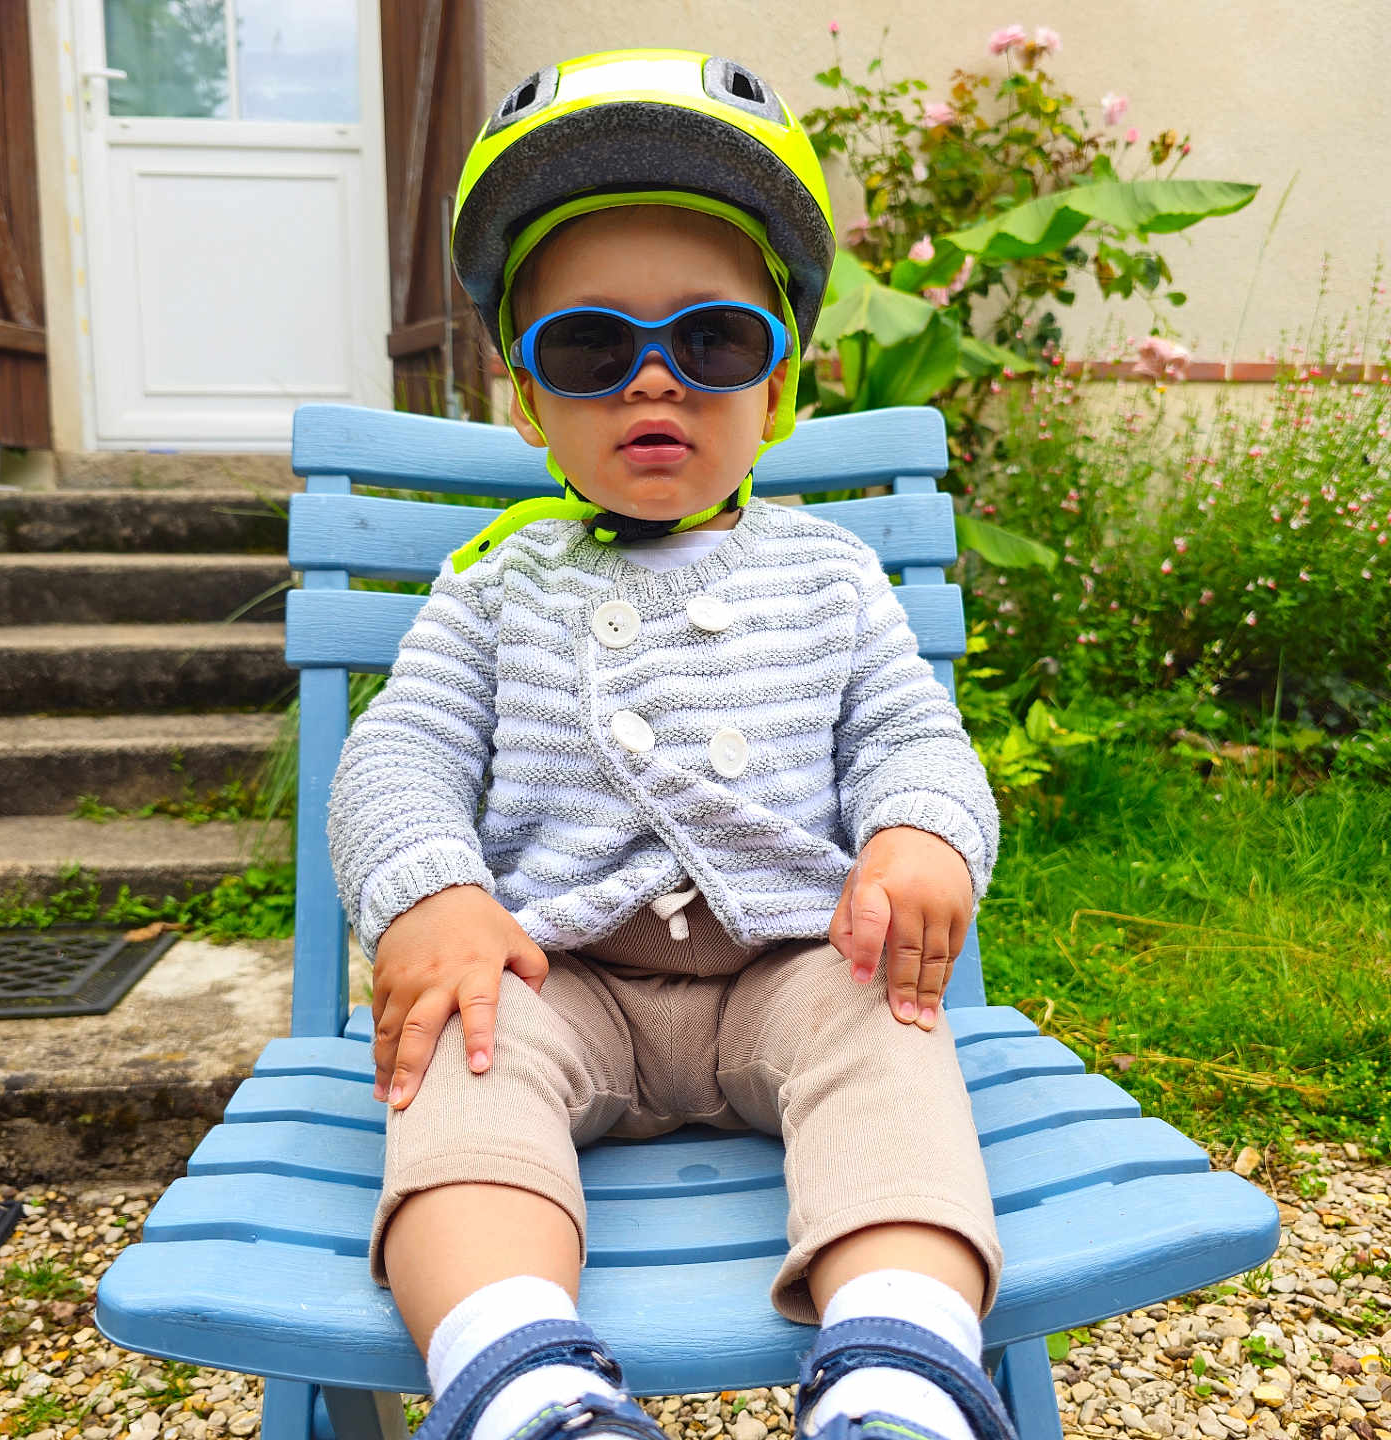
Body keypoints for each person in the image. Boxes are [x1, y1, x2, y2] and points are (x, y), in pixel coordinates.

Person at [326, 48, 1016, 1440]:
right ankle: (522, 1377)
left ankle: (898, 1375)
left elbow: (909, 735)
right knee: (460, 1064)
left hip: (787, 968)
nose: (655, 383)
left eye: (712, 341)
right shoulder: (494, 588)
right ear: (524, 394)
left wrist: (922, 831)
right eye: (591, 347)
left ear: (780, 387)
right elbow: (395, 757)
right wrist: (435, 896)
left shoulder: (830, 580)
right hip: (557, 971)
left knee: (889, 1040)